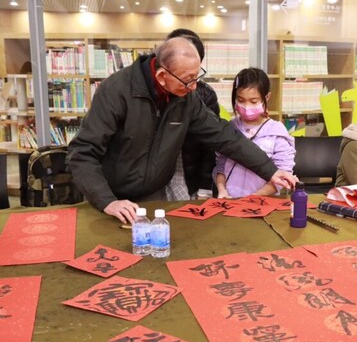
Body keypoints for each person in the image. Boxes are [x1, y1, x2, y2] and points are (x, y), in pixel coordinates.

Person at [67, 37, 296, 224]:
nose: (194, 87)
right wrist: (107, 200)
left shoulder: (186, 98)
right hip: (111, 196)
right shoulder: (116, 91)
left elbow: (223, 134)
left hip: (154, 196)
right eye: (188, 80)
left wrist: (270, 170)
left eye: (197, 77)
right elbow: (82, 152)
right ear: (162, 76)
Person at [213, 67, 295, 198]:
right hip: (229, 200)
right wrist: (222, 190)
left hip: (261, 202)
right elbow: (220, 165)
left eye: (253, 101)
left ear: (267, 97)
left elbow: (281, 174)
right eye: (240, 100)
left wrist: (252, 199)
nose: (246, 106)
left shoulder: (277, 132)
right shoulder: (229, 128)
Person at [165, 28, 220, 201]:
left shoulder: (204, 95)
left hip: (190, 176)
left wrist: (205, 186)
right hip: (155, 179)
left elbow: (212, 142)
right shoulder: (152, 94)